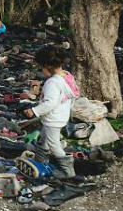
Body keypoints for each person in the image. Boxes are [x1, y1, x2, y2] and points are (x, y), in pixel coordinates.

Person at [23, 45, 80, 178]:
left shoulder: (52, 83)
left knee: (54, 144)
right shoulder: (67, 76)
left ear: (47, 66)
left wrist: (34, 111)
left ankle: (68, 171)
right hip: (61, 115)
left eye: (41, 67)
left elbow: (50, 103)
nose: (41, 71)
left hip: (53, 118)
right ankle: (41, 161)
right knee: (45, 138)